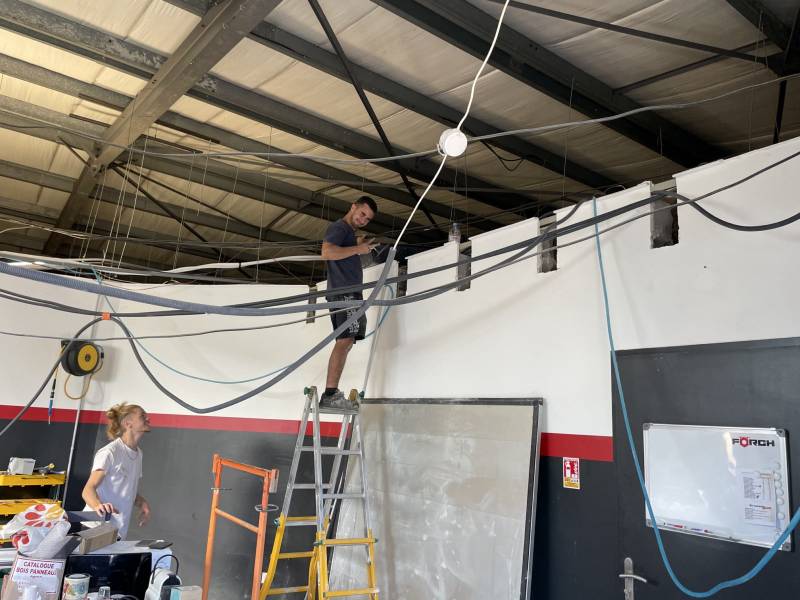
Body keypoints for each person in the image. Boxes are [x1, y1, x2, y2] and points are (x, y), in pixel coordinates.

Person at [320, 196, 378, 410]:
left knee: (347, 340)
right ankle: (330, 394)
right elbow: (327, 252)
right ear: (353, 206)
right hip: (344, 294)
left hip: (348, 294)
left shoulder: (348, 233)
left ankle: (331, 393)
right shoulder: (340, 227)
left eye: (368, 219)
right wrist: (357, 250)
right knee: (345, 340)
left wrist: (356, 245)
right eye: (362, 214)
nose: (363, 220)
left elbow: (340, 252)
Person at [81, 403, 151, 539]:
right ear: (128, 423)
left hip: (118, 532)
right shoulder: (110, 452)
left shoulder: (139, 454)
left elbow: (127, 490)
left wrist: (142, 502)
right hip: (94, 528)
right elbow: (88, 489)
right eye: (143, 416)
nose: (148, 419)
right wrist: (98, 506)